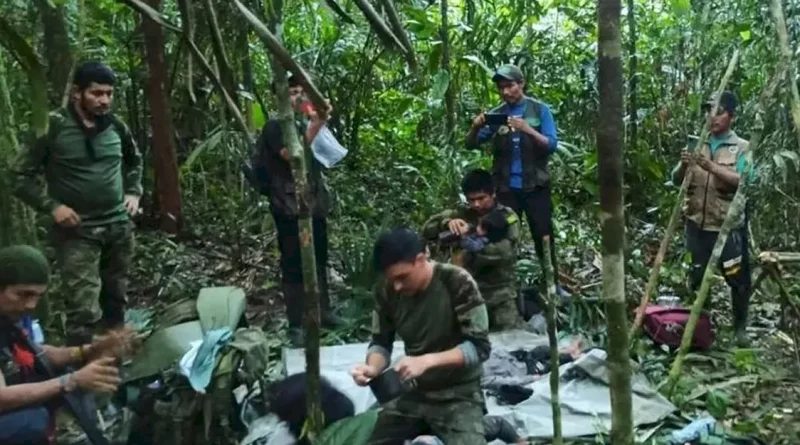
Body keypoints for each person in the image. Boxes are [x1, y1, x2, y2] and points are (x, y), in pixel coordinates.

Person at [12, 61, 143, 346]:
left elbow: (135, 161)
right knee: (83, 310)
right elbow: (18, 176)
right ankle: (82, 375)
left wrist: (133, 192)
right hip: (77, 232)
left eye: (109, 93)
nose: (104, 100)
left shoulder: (116, 127)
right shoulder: (52, 127)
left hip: (118, 227)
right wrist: (52, 207)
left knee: (116, 299)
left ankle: (115, 365)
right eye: (96, 93)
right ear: (76, 93)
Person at [350, 227, 491, 445]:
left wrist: (427, 361)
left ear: (421, 259)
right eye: (391, 279)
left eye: (402, 277)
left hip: (458, 393)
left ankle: (492, 427)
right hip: (413, 392)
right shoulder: (387, 289)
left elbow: (479, 347)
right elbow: (380, 342)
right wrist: (373, 368)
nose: (396, 286)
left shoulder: (456, 282)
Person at [0, 245, 136, 445]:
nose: (31, 305)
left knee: (67, 372)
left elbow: (35, 352)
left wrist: (89, 350)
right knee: (30, 423)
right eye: (23, 294)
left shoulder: (10, 313)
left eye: (37, 296)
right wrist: (70, 381)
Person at [254, 74, 344, 347]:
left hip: (313, 203)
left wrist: (319, 120)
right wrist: (317, 122)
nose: (297, 98)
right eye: (292, 92)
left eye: (301, 92)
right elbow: (292, 154)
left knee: (319, 257)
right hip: (288, 206)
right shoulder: (275, 127)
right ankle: (296, 323)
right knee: (293, 264)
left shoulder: (306, 121)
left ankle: (322, 311)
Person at [465, 64, 568, 298]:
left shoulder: (539, 110)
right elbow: (471, 143)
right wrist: (475, 127)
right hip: (506, 189)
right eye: (501, 88)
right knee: (501, 235)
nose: (506, 92)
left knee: (543, 234)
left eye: (510, 86)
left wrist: (527, 129)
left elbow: (551, 144)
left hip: (536, 187)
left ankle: (552, 285)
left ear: (521, 84)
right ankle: (502, 286)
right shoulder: (497, 114)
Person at [672, 91, 753, 347]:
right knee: (697, 279)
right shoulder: (699, 143)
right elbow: (676, 180)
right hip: (697, 225)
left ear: (732, 116)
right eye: (709, 111)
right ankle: (702, 332)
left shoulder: (742, 147)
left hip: (727, 227)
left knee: (737, 279)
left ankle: (739, 329)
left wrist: (710, 167)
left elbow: (744, 182)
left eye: (718, 111)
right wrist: (685, 165)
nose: (712, 116)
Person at [422, 169, 524, 331]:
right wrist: (448, 223)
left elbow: (505, 252)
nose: (476, 204)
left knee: (511, 342)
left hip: (499, 294)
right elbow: (427, 229)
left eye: (481, 198)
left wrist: (468, 246)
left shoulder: (507, 217)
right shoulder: (462, 213)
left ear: (493, 194)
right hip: (466, 294)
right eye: (471, 200)